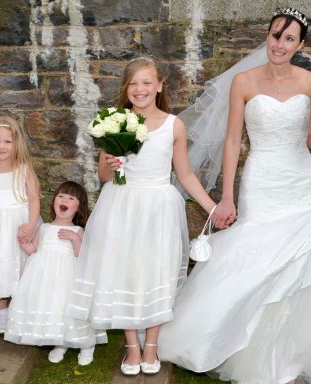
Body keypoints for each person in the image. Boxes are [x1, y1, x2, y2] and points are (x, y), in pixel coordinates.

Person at [158, 7, 311, 383]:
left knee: (298, 263)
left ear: (300, 44)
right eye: (276, 35)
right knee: (254, 260)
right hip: (261, 180)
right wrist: (226, 197)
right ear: (268, 35)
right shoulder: (244, 81)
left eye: (289, 38)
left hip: (298, 181)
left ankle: (281, 356)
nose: (280, 43)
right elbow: (233, 141)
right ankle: (220, 340)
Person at [66, 57, 216, 376]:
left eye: (147, 82)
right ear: (126, 89)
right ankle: (132, 346)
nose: (140, 89)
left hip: (159, 207)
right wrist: (113, 164)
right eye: (133, 83)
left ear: (160, 86)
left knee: (156, 271)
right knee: (125, 271)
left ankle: (152, 345)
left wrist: (212, 207)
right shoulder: (114, 121)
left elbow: (185, 174)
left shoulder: (174, 125)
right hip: (121, 204)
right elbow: (103, 175)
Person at [4, 181, 107, 366]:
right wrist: (22, 242)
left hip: (68, 279)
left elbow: (82, 256)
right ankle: (60, 343)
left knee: (69, 309)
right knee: (53, 308)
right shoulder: (44, 228)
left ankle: (86, 345)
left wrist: (75, 239)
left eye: (71, 198)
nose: (64, 199)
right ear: (54, 202)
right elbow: (33, 249)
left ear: (78, 208)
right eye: (61, 196)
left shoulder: (78, 230)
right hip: (44, 278)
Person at [0, 115, 41, 334]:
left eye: (7, 141)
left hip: (19, 225)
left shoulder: (23, 170)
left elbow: (34, 200)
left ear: (16, 144)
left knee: (22, 267)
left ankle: (21, 311)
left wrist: (31, 225)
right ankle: (1, 314)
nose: (1, 146)